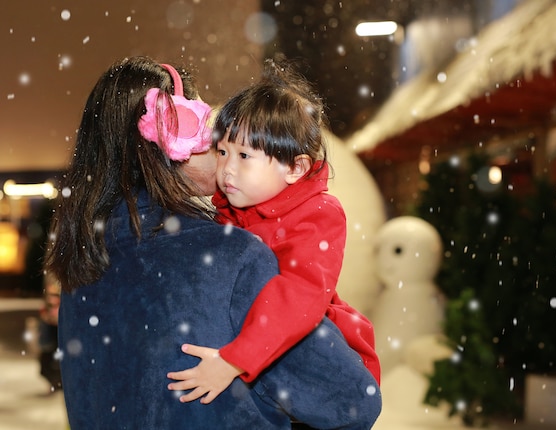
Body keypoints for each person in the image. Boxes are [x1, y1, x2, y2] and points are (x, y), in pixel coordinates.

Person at [44, 56, 381, 429]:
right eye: (210, 135)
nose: (222, 155)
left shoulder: (83, 260)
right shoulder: (230, 257)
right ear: (173, 144)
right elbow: (352, 403)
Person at [166, 57, 381, 405]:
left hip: (319, 358)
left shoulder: (317, 214)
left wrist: (233, 361)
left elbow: (299, 295)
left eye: (245, 156)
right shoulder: (232, 207)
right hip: (261, 351)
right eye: (222, 151)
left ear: (296, 168)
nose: (227, 169)